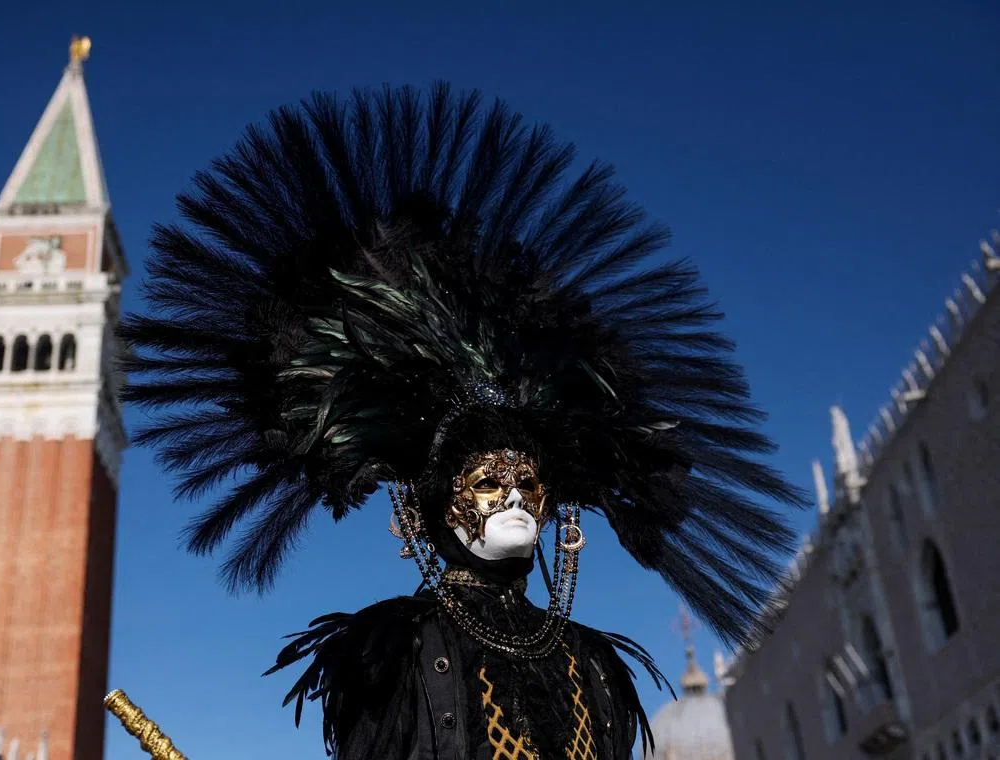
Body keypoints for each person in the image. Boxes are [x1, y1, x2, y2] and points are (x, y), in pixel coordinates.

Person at [120, 83, 805, 759]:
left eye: (527, 481)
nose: (511, 493)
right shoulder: (396, 651)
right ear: (436, 510)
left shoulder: (595, 665)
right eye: (486, 481)